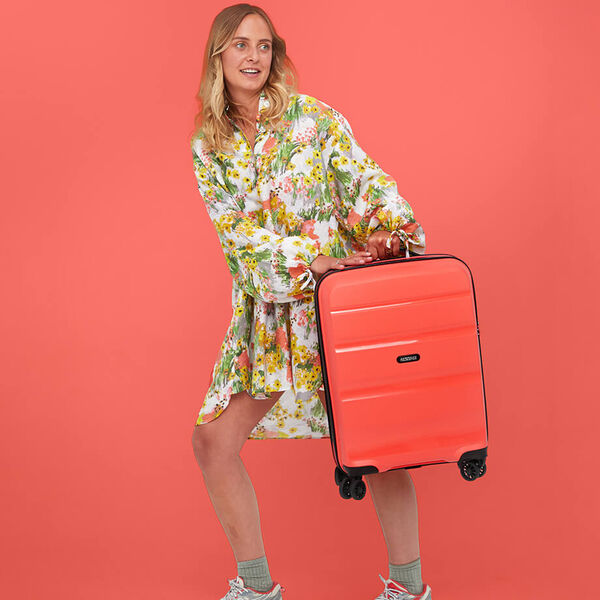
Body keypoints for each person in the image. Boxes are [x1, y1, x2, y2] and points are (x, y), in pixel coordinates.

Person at [189, 4, 430, 599]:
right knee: (213, 442)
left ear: (275, 55)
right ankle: (256, 588)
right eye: (240, 44)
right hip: (269, 316)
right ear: (218, 55)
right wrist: (308, 259)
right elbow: (237, 238)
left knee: (379, 447)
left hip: (339, 307)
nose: (253, 56)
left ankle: (409, 590)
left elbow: (366, 181)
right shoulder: (208, 147)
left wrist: (389, 231)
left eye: (263, 45)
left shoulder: (313, 120)